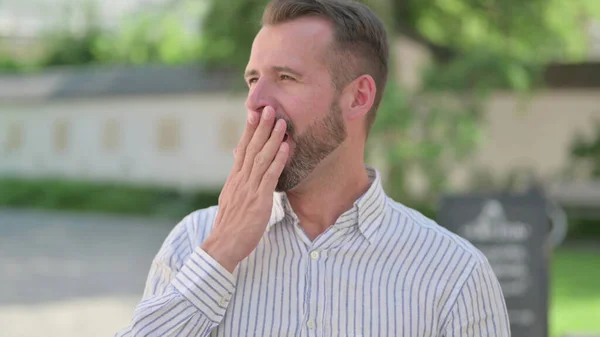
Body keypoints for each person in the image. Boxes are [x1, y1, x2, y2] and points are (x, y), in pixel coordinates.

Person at [116, 0, 511, 336]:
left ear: (357, 97)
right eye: (252, 79)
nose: (254, 102)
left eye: (285, 78)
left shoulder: (455, 275)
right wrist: (220, 254)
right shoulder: (192, 243)